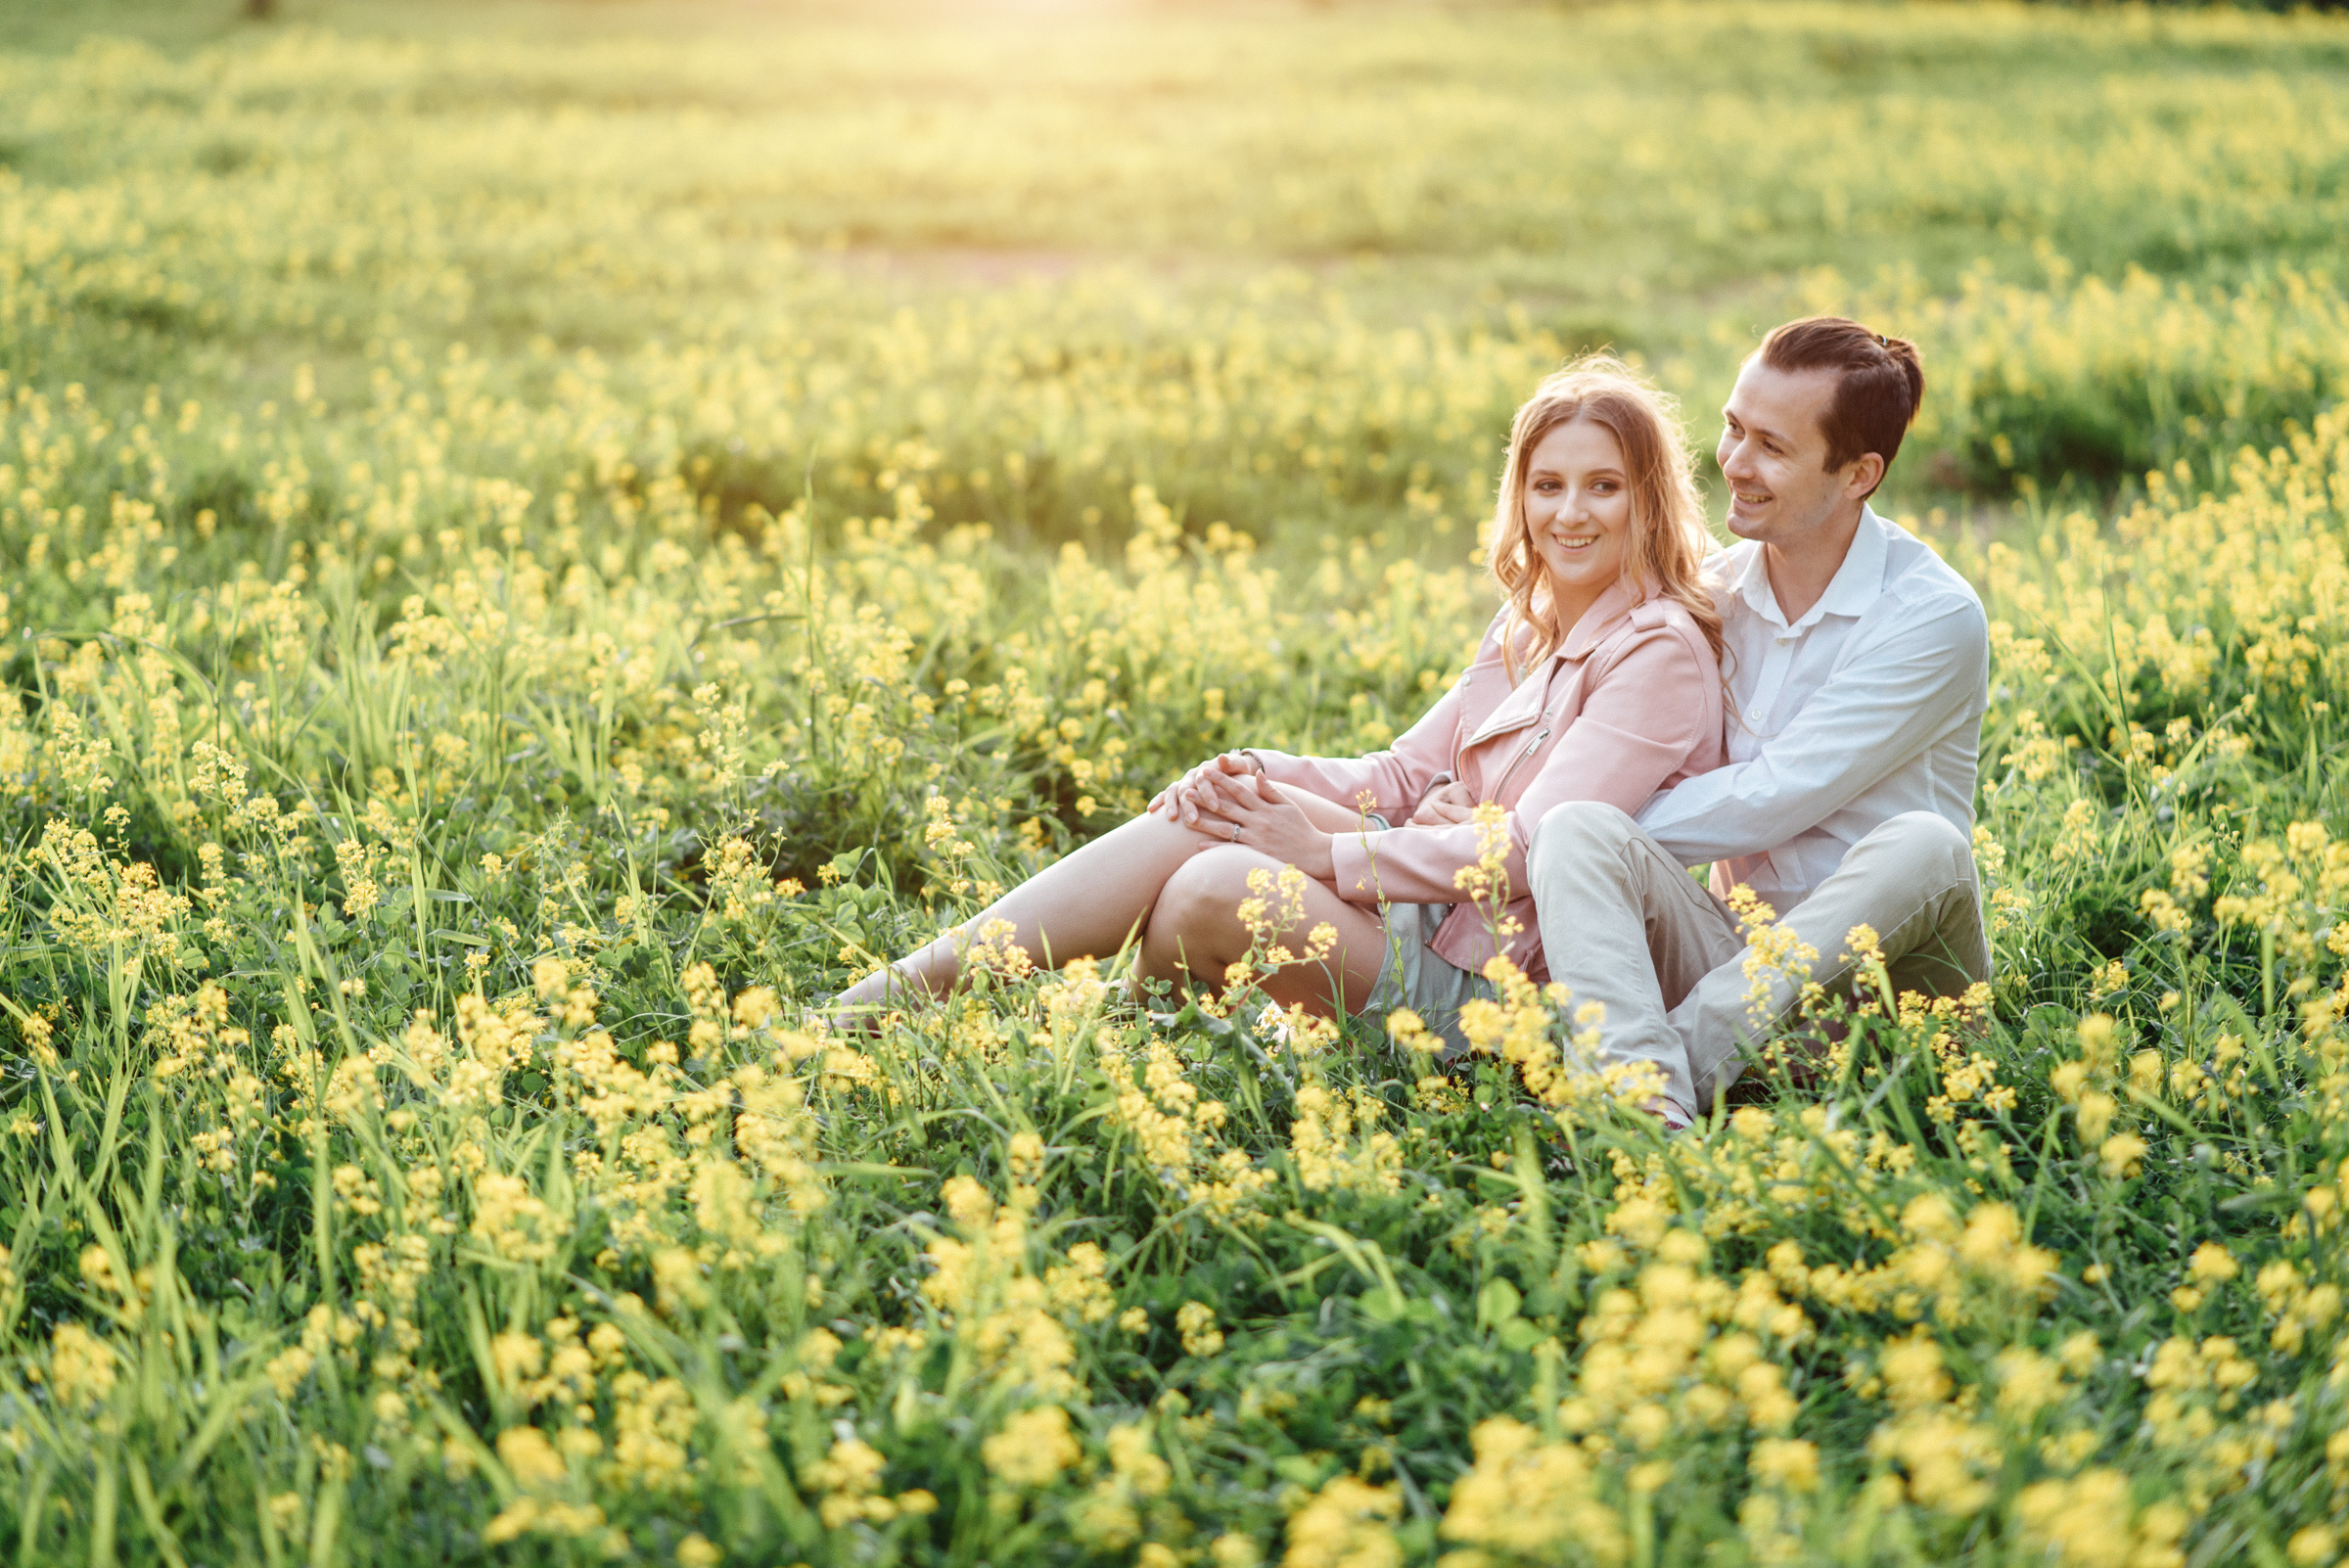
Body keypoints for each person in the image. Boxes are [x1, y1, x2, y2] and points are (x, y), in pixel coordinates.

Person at [833, 357, 1725, 1062]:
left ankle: (1022, 1031)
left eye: (1603, 486)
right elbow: (1403, 776)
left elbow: (1526, 850)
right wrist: (1255, 774)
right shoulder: (1528, 623)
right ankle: (955, 1017)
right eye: (1548, 486)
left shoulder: (1657, 652)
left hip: (1513, 988)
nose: (1570, 513)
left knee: (1219, 887)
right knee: (1218, 827)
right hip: (1445, 914)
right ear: (1519, 497)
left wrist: (1322, 852)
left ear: (1649, 499)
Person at [1527, 316, 1993, 1128]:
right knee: (1571, 828)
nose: (1734, 465)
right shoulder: (1706, 596)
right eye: (1733, 429)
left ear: (1858, 474)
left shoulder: (1929, 615)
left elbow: (1780, 795)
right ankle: (1647, 1109)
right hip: (1736, 962)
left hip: (1894, 998)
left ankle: (1654, 1073)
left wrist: (1523, 836)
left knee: (1929, 845)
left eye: (1771, 448)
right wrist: (1537, 824)